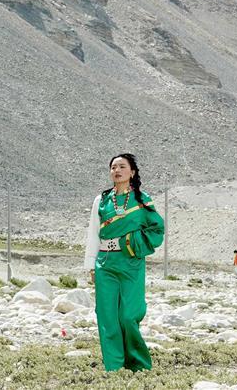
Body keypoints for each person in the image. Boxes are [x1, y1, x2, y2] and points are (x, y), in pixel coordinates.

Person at [84, 154, 165, 372]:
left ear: (132, 172)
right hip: (105, 263)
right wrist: (90, 265)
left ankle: (139, 364)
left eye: (122, 166)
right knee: (107, 316)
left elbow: (157, 228)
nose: (117, 170)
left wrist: (133, 243)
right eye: (113, 167)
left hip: (130, 262)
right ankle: (114, 368)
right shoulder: (100, 200)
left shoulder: (142, 200)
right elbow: (93, 233)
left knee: (129, 315)